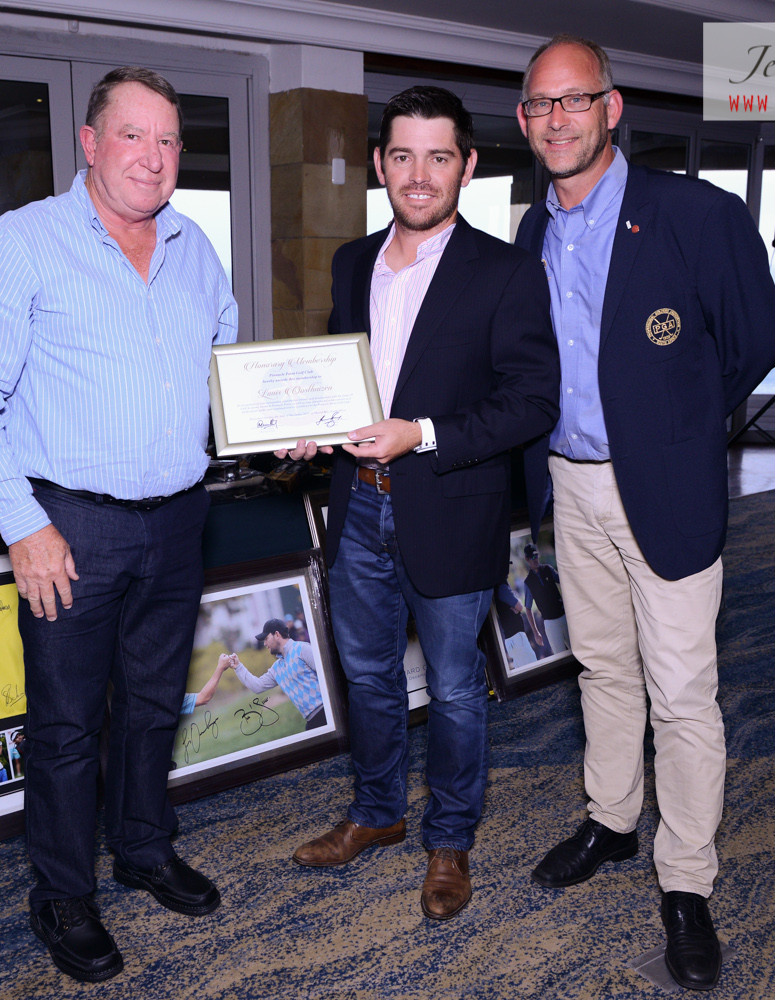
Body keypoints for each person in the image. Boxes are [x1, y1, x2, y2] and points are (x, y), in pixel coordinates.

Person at [0, 65, 236, 985]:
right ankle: (63, 893)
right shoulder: (19, 244)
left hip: (178, 521)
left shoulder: (194, 247)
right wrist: (23, 526)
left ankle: (142, 847)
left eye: (168, 139)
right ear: (91, 143)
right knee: (66, 724)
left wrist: (278, 425)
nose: (153, 155)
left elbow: (222, 372)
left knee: (152, 704)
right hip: (69, 527)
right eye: (133, 135)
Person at [514, 35, 775, 991]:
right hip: (568, 485)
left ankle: (687, 882)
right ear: (524, 119)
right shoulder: (532, 228)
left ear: (611, 107)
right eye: (540, 104)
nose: (557, 119)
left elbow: (757, 339)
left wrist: (676, 425)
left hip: (663, 487)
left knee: (682, 694)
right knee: (601, 667)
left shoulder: (696, 214)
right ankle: (613, 820)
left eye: (574, 100)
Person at [283, 86, 559, 921]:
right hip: (357, 506)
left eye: (439, 157)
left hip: (451, 504)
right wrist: (310, 429)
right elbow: (347, 380)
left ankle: (450, 839)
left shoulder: (507, 271)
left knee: (454, 686)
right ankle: (377, 811)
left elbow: (532, 401)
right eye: (403, 155)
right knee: (367, 675)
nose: (419, 174)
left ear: (466, 167)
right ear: (380, 164)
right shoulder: (352, 262)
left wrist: (425, 433)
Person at [220, 619, 327, 730]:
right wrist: (238, 667)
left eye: (266, 638)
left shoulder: (302, 649)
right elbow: (257, 686)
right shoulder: (277, 668)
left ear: (277, 635)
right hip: (312, 720)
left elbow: (327, 674)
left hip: (326, 710)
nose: (265, 644)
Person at [520, 543, 568, 655]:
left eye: (536, 555)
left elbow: (565, 583)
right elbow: (528, 609)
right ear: (527, 559)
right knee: (560, 655)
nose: (535, 559)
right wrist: (536, 632)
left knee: (577, 650)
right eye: (532, 557)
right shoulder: (528, 582)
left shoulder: (548, 569)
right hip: (550, 623)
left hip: (564, 617)